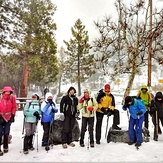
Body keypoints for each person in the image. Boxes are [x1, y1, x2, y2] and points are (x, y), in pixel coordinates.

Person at [0, 86, 16, 156]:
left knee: (6, 133)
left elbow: (14, 107)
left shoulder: (12, 98)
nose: (8, 93)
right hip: (0, 117)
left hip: (8, 117)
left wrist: (13, 115)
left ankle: (5, 146)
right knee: (0, 133)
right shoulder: (0, 98)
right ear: (4, 92)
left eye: (9, 91)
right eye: (6, 91)